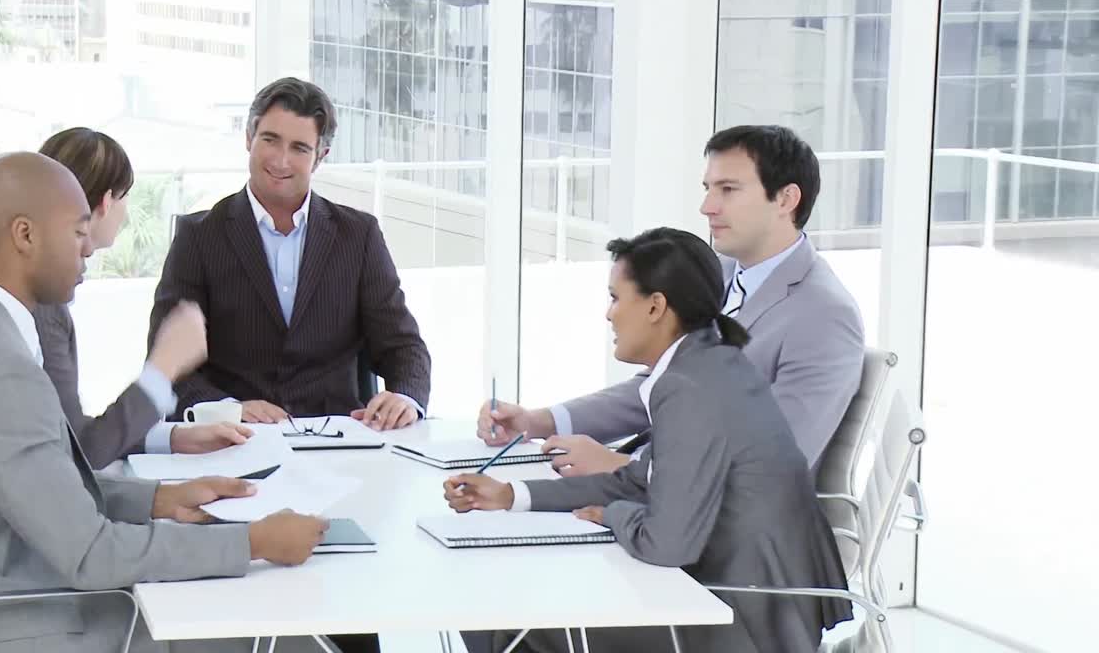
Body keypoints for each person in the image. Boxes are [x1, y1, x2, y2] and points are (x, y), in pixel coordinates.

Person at [0, 151, 329, 653]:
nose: (89, 248)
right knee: (289, 641)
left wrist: (159, 499)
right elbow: (91, 553)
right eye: (76, 233)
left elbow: (38, 488)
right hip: (21, 621)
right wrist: (256, 542)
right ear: (25, 235)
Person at [449, 227, 853, 653]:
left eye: (616, 298)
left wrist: (612, 515)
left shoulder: (688, 387)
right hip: (733, 597)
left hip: (741, 619)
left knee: (514, 621)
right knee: (504, 603)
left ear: (656, 306)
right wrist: (511, 495)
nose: (608, 314)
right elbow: (640, 478)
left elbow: (665, 543)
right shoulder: (703, 365)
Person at [477, 124, 864, 476]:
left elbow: (772, 462)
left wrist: (620, 467)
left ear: (785, 199)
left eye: (728, 190)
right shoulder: (722, 273)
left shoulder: (823, 315)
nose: (707, 207)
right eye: (707, 189)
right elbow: (655, 386)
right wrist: (540, 421)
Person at [149, 77, 431, 433]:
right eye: (270, 140)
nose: (281, 160)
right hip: (233, 440)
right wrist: (227, 410)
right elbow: (167, 359)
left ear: (320, 157)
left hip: (336, 441)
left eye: (299, 147)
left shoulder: (358, 236)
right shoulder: (199, 237)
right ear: (249, 138)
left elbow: (403, 345)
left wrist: (405, 397)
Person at [32, 127, 251, 469]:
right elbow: (79, 452)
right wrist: (162, 369)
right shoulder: (43, 306)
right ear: (107, 201)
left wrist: (172, 438)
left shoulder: (40, 294)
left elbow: (69, 433)